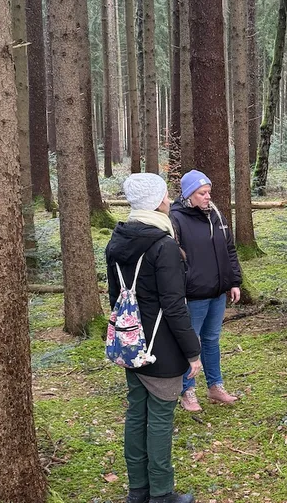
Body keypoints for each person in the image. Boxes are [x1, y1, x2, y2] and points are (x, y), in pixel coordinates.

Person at [106, 173, 202, 503]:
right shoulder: (164, 246)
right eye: (165, 195)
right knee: (160, 418)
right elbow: (174, 306)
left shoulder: (116, 241)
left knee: (136, 414)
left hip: (130, 344)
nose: (169, 200)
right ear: (157, 201)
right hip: (161, 347)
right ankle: (161, 494)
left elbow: (114, 297)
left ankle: (138, 491)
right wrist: (193, 351)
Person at [170, 170, 243, 412]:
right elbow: (173, 259)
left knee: (212, 340)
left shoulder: (217, 216)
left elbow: (229, 250)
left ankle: (215, 386)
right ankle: (187, 390)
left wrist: (234, 281)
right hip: (193, 295)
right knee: (191, 343)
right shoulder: (177, 218)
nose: (207, 197)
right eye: (202, 193)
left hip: (218, 292)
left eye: (209, 192)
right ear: (189, 194)